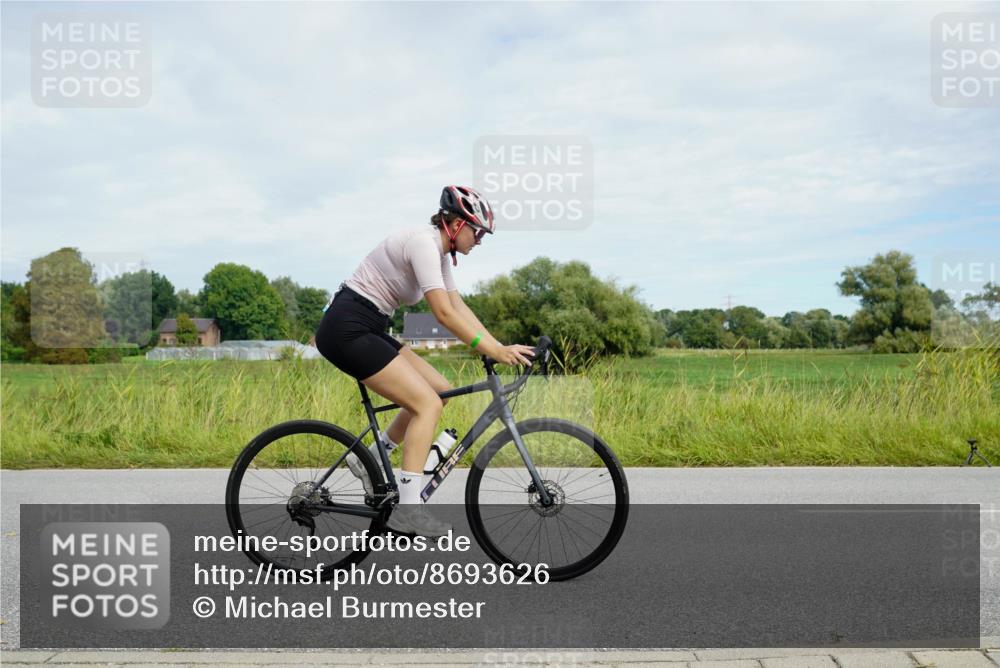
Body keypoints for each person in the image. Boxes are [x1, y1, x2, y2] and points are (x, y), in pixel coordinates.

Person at [314, 185, 536, 538]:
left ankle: (370, 456)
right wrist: (494, 351)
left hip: (370, 325)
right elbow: (444, 314)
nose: (479, 239)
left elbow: (459, 306)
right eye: (477, 231)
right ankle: (408, 510)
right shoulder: (423, 244)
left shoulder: (441, 254)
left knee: (441, 390)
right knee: (426, 405)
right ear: (455, 224)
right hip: (347, 328)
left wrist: (498, 346)